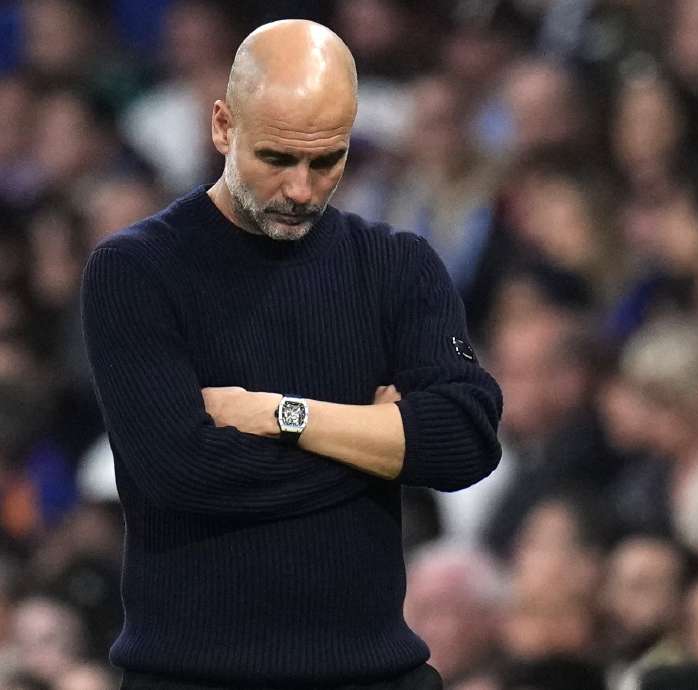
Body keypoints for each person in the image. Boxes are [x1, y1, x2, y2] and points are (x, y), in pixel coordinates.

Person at [79, 20, 502, 689]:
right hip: (192, 678)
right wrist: (377, 447)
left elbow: (465, 440)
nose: (302, 190)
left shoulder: (397, 265)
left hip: (374, 674)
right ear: (223, 126)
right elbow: (182, 471)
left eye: (327, 160)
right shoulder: (136, 270)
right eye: (277, 158)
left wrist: (283, 415)